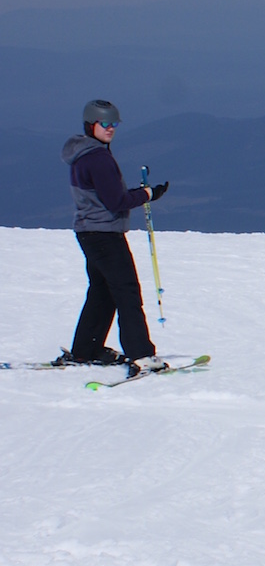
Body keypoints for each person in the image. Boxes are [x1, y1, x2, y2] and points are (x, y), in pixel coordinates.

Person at [55, 100, 169, 372]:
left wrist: (142, 194)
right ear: (90, 125)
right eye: (105, 123)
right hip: (105, 235)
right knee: (126, 291)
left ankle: (86, 350)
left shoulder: (82, 154)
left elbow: (107, 196)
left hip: (89, 232)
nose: (111, 129)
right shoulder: (98, 158)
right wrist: (148, 194)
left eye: (114, 124)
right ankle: (141, 354)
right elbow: (116, 201)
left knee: (103, 291)